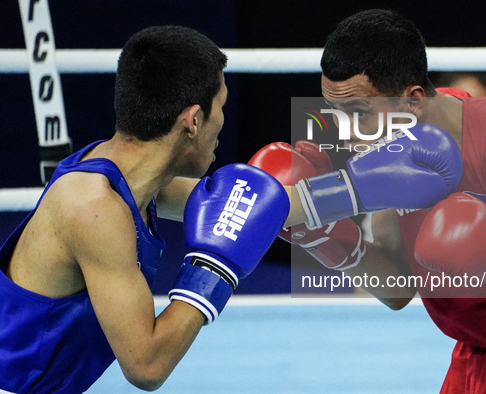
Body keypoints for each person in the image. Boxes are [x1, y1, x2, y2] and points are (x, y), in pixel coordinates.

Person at [252, 9, 486, 393]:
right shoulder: (388, 149)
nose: (347, 139)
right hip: (474, 357)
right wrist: (322, 236)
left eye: (359, 115)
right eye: (338, 116)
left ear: (412, 100)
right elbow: (396, 288)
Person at [0, 26, 289, 393]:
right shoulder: (95, 208)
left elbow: (256, 208)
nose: (223, 120)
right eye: (222, 106)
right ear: (194, 119)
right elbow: (147, 365)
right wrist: (214, 270)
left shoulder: (129, 174)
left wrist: (362, 189)